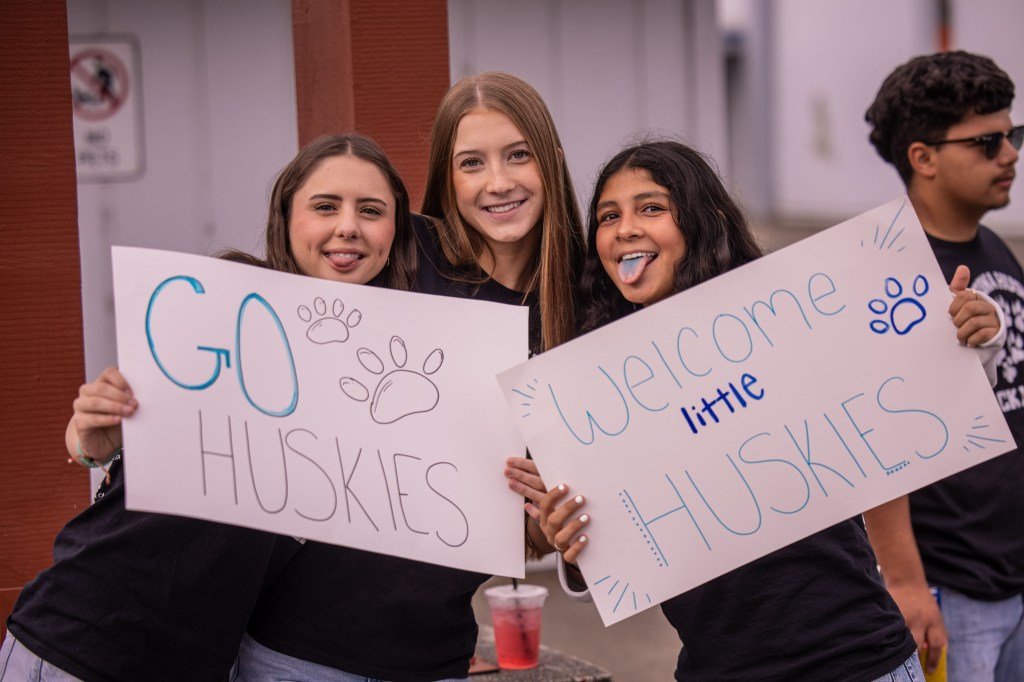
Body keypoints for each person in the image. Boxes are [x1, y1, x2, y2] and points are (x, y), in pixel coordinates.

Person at [514, 139, 1005, 682]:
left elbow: (910, 399)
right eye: (609, 216)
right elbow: (621, 559)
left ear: (702, 220)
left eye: (651, 207)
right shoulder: (601, 392)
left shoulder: (789, 324)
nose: (626, 228)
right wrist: (573, 542)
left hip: (863, 662)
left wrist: (974, 338)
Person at [0, 132, 417, 682]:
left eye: (371, 210)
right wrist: (93, 439)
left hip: (200, 661)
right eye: (324, 206)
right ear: (287, 217)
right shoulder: (221, 300)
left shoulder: (380, 364)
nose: (347, 226)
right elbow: (95, 439)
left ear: (396, 231)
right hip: (83, 640)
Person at [237, 71, 584, 681]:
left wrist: (552, 520)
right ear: (446, 178)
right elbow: (275, 320)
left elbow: (550, 518)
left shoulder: (579, 310)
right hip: (293, 649)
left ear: (552, 161)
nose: (498, 182)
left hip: (434, 654)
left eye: (518, 155)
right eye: (471, 162)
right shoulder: (399, 251)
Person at [864, 50, 1024, 682]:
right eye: (986, 142)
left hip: (1010, 569)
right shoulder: (888, 270)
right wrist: (906, 583)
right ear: (923, 158)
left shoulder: (993, 245)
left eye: (1012, 135)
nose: (1009, 155)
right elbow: (877, 436)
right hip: (951, 587)